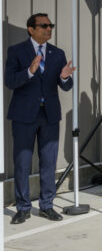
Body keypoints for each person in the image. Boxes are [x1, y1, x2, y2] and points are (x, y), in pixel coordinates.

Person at [3, 13, 75, 223]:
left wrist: (64, 77)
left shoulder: (57, 53)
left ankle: (47, 205)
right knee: (22, 162)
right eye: (43, 25)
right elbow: (10, 81)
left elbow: (66, 86)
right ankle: (23, 207)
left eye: (50, 25)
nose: (48, 29)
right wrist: (30, 71)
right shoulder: (16, 51)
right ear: (31, 29)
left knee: (48, 163)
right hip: (24, 116)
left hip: (49, 115)